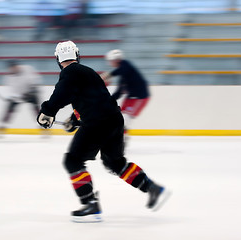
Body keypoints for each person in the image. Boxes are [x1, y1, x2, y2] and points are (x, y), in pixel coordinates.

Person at [37, 41, 170, 222]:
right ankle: (151, 188)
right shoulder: (89, 72)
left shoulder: (69, 73)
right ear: (77, 55)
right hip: (114, 120)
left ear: (57, 59)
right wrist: (74, 120)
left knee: (73, 161)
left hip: (97, 123)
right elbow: (92, 100)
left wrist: (48, 111)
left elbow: (62, 93)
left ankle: (90, 203)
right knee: (114, 163)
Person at [101, 49, 150, 137]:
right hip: (131, 97)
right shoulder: (124, 74)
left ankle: (122, 140)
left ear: (116, 60)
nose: (110, 63)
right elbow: (119, 92)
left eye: (110, 61)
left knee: (125, 119)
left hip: (140, 97)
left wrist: (108, 75)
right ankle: (119, 138)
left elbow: (122, 70)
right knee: (119, 118)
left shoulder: (126, 65)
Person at [0, 60, 44, 136]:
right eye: (11, 68)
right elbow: (11, 91)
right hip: (18, 96)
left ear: (17, 66)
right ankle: (1, 128)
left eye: (14, 67)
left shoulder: (27, 69)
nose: (13, 69)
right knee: (8, 111)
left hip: (30, 93)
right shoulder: (8, 77)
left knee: (38, 111)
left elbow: (35, 82)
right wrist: (14, 97)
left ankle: (43, 128)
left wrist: (31, 91)